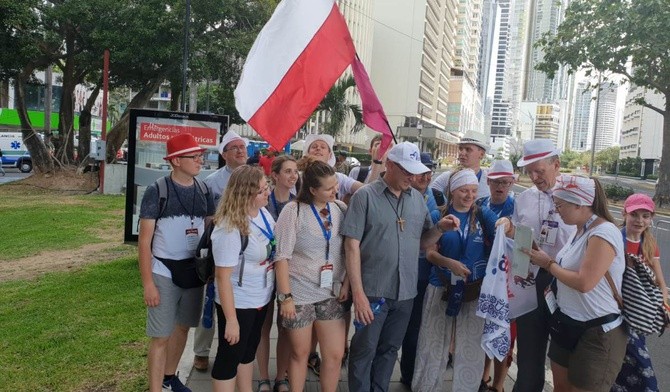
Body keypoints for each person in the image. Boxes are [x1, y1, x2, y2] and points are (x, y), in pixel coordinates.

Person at [341, 141, 460, 392]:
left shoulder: (417, 200)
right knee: (364, 350)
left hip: (405, 292)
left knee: (389, 350)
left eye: (414, 171)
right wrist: (358, 294)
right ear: (390, 165)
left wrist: (440, 229)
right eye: (406, 170)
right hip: (373, 290)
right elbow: (351, 247)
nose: (412, 176)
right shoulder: (365, 196)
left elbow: (423, 243)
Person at [521, 175, 627, 392]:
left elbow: (584, 282)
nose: (557, 209)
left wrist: (548, 264)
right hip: (567, 323)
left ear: (580, 203)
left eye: (560, 204)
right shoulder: (579, 229)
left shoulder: (603, 233)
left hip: (596, 330)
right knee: (560, 387)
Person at [138, 133, 215, 392]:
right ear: (175, 161)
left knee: (183, 328)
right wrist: (148, 283)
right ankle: (155, 388)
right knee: (160, 336)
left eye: (200, 156)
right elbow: (144, 242)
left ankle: (169, 379)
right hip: (163, 271)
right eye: (193, 156)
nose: (199, 160)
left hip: (194, 270)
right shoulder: (157, 191)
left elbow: (209, 232)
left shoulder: (204, 189)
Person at [498, 139, 576, 392]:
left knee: (565, 357)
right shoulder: (525, 198)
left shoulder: (577, 197)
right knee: (529, 354)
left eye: (539, 171)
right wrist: (507, 227)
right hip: (530, 281)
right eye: (529, 171)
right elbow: (518, 233)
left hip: (565, 282)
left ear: (556, 165)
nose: (533, 177)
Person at [413, 168, 498, 391]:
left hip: (473, 290)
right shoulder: (438, 215)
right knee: (432, 343)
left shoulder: (482, 215)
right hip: (440, 285)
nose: (469, 196)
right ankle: (426, 387)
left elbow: (501, 231)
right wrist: (449, 263)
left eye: (473, 190)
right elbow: (429, 252)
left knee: (471, 346)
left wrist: (507, 225)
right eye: (463, 191)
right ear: (452, 191)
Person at [274, 158, 348, 392]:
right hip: (299, 292)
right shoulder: (293, 211)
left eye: (335, 185)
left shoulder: (340, 209)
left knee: (335, 354)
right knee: (300, 352)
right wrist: (285, 297)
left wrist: (346, 282)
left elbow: (348, 250)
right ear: (312, 189)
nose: (334, 190)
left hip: (330, 292)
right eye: (328, 188)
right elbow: (281, 256)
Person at [210, 165, 275, 392]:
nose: (268, 192)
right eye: (262, 190)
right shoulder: (229, 227)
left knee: (248, 352)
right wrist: (231, 320)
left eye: (267, 187)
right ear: (245, 193)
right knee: (229, 358)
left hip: (260, 298)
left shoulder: (263, 213)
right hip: (239, 303)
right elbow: (222, 277)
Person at [193, 130, 249, 371]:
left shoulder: (254, 177)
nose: (240, 150)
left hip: (247, 252)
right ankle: (201, 351)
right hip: (220, 249)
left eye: (242, 147)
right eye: (234, 147)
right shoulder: (211, 182)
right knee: (210, 300)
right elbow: (205, 218)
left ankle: (238, 348)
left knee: (239, 303)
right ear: (224, 154)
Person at [612, 193, 668, 391]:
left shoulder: (649, 244)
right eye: (635, 214)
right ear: (624, 213)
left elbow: (660, 283)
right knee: (626, 366)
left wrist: (661, 308)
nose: (640, 220)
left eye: (646, 215)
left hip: (638, 316)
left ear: (651, 219)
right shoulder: (614, 240)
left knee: (633, 366)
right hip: (614, 314)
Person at [256, 155, 298, 392]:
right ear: (275, 175)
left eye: (295, 172)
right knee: (262, 328)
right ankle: (263, 377)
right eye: (288, 171)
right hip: (263, 273)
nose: (293, 176)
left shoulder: (299, 203)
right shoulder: (263, 201)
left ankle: (281, 377)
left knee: (285, 327)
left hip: (288, 275)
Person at [399, 155, 441, 387]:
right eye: (421, 172)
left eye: (429, 172)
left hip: (422, 274)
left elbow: (430, 231)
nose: (426, 177)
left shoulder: (432, 197)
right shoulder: (399, 196)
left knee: (415, 328)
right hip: (398, 272)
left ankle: (408, 374)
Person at [476, 160, 516, 392]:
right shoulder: (480, 204)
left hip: (508, 281)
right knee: (483, 329)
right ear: (488, 182)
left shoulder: (517, 207)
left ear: (511, 183)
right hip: (483, 276)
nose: (500, 186)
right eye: (496, 182)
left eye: (505, 182)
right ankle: (484, 376)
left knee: (505, 333)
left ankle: (499, 384)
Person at [430, 130, 491, 199]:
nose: (462, 153)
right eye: (460, 149)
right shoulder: (446, 178)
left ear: (482, 154)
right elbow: (430, 199)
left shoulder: (490, 181)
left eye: (468, 149)